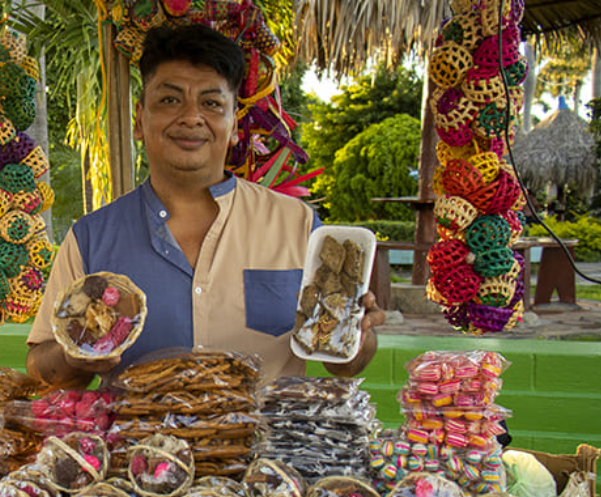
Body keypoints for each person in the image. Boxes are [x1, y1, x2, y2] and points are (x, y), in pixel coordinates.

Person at [26, 23, 384, 388]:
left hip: (268, 445)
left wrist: (358, 332)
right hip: (136, 445)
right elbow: (42, 365)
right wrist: (75, 355)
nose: (191, 117)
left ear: (232, 126)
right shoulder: (91, 238)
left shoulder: (297, 225)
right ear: (138, 119)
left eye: (211, 103)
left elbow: (345, 364)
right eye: (170, 100)